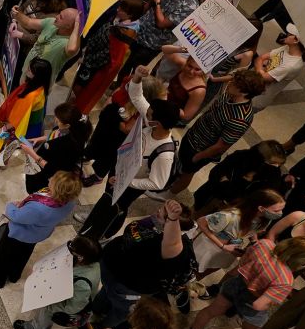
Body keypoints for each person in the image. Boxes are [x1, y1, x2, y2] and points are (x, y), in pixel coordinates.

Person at [79, 67, 182, 240]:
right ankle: (93, 221)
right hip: (122, 168)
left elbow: (157, 182)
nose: (144, 113)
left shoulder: (165, 153)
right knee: (108, 197)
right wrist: (137, 77)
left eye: (148, 114)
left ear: (156, 122)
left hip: (132, 182)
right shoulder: (152, 121)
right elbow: (136, 96)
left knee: (118, 207)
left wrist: (127, 181)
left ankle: (105, 233)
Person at [181, 236, 305, 329]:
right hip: (251, 302)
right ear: (302, 261)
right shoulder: (286, 279)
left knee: (210, 311)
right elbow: (258, 305)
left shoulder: (265, 244)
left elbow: (243, 262)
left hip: (235, 284)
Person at [91, 200, 195, 328]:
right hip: (113, 269)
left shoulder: (175, 250)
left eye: (161, 214)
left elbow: (172, 244)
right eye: (161, 209)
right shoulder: (155, 223)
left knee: (121, 309)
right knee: (106, 291)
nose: (157, 212)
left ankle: (104, 327)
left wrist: (173, 218)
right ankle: (96, 309)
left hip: (129, 285)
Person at [166, 69, 267, 194]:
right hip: (194, 135)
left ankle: (171, 192)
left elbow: (221, 146)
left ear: (244, 92)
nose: (230, 82)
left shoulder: (240, 118)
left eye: (235, 83)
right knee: (181, 161)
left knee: (188, 172)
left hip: (200, 149)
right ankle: (171, 177)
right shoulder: (229, 95)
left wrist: (198, 157)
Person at [0, 171, 82, 286]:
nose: (50, 178)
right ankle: (14, 275)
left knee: (3, 254)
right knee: (23, 254)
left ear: (57, 188)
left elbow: (16, 216)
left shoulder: (38, 208)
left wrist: (10, 206)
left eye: (54, 179)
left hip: (19, 234)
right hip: (37, 234)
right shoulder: (70, 202)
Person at [13, 235, 101, 329]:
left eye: (72, 250)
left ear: (81, 257)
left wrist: (51, 306)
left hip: (60, 306)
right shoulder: (92, 262)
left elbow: (74, 306)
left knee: (42, 327)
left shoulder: (83, 283)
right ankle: (32, 327)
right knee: (40, 318)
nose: (69, 251)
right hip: (57, 296)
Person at [129, 0, 209, 69]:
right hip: (138, 30)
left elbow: (161, 23)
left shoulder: (190, 6)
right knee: (123, 63)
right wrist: (136, 19)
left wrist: (157, 3)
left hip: (150, 43)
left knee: (133, 69)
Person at [193, 141, 288, 212]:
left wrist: (226, 184)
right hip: (208, 198)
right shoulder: (239, 157)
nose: (277, 167)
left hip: (232, 212)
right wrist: (232, 192)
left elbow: (256, 199)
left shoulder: (272, 175)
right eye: (273, 163)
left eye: (279, 164)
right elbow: (215, 174)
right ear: (259, 158)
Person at [20, 103, 92, 193]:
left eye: (58, 121)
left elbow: (52, 169)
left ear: (67, 125)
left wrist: (32, 154)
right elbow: (55, 134)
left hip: (45, 174)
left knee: (35, 189)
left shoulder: (68, 146)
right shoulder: (69, 129)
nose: (55, 121)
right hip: (45, 159)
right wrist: (39, 139)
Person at [9, 5, 82, 84]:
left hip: (38, 85)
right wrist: (17, 13)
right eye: (59, 14)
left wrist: (77, 24)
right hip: (26, 72)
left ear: (68, 26)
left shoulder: (67, 43)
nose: (56, 17)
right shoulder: (52, 22)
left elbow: (72, 49)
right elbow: (28, 23)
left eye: (61, 17)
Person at [248, 26, 305, 112]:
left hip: (255, 99)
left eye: (290, 34)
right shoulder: (286, 48)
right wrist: (261, 71)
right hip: (249, 86)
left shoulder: (292, 66)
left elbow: (264, 78)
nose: (286, 34)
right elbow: (260, 58)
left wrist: (260, 68)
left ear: (296, 40)